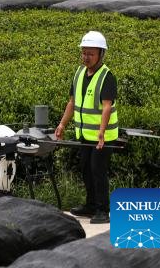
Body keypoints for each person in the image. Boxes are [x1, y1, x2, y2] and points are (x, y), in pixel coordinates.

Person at [54, 30, 118, 224]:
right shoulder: (80, 73)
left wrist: (101, 132)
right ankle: (90, 205)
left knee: (98, 171)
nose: (86, 57)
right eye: (84, 53)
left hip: (102, 136)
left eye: (90, 54)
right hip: (84, 134)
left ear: (101, 54)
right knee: (85, 169)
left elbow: (107, 107)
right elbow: (72, 102)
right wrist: (62, 124)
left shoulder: (107, 77)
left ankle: (102, 210)